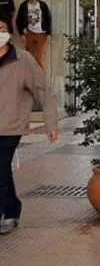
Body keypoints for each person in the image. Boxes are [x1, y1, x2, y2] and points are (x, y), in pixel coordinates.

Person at [0, 13, 59, 235]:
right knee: (2, 170)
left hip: (10, 125)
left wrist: (50, 122)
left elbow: (42, 90)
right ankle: (12, 210)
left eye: (1, 29)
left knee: (0, 169)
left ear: (8, 32)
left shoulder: (22, 60)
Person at [15, 0, 52, 70]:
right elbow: (18, 20)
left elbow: (48, 19)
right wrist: (21, 34)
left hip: (41, 33)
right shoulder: (24, 5)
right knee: (29, 57)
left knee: (39, 57)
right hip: (29, 33)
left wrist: (49, 33)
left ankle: (39, 76)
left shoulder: (42, 5)